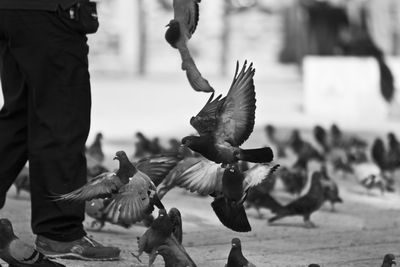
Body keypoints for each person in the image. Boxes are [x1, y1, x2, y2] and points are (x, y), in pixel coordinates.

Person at [0, 0, 120, 261]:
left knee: (19, 120)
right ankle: (59, 234)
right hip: (51, 13)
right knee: (62, 120)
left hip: (12, 12)